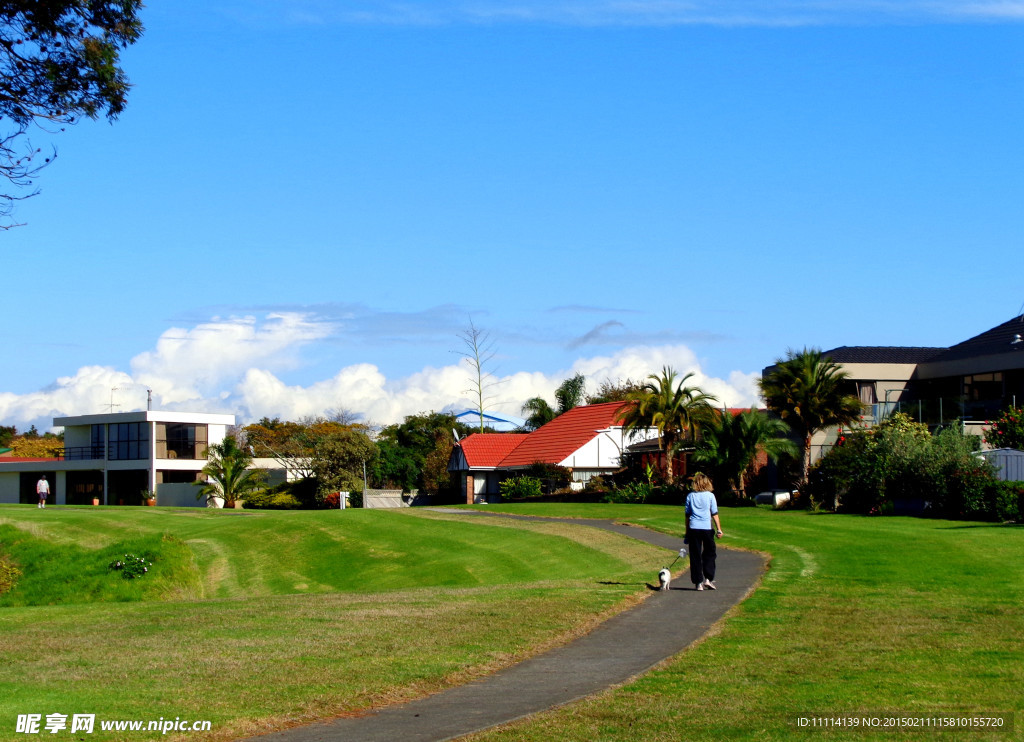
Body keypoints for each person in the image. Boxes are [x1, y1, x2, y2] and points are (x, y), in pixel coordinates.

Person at [685, 472, 723, 591]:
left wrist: (687, 532)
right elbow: (714, 514)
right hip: (706, 528)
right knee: (709, 553)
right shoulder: (710, 496)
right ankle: (708, 578)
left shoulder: (690, 496)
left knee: (695, 555)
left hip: (694, 528)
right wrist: (719, 529)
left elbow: (687, 515)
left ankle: (698, 582)